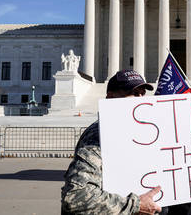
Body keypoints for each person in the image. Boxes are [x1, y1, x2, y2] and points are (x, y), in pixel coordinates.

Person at [61, 69, 162, 215]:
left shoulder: (135, 133)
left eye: (142, 94)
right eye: (133, 93)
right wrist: (136, 205)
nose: (140, 99)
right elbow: (76, 196)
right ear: (111, 97)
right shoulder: (98, 135)